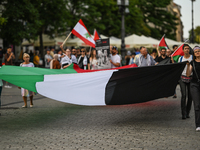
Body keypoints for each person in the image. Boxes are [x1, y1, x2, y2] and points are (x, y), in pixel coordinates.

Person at [186, 46, 200, 131]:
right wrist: (188, 66)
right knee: (197, 105)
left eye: (199, 51)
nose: (198, 52)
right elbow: (188, 74)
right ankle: (198, 124)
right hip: (194, 85)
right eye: (196, 52)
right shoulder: (192, 63)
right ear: (194, 54)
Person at [178, 44, 193, 120]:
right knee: (184, 95)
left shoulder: (192, 57)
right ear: (183, 50)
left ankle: (187, 112)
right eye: (185, 49)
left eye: (188, 48)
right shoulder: (180, 59)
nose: (187, 50)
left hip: (191, 78)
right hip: (182, 78)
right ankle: (183, 113)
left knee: (190, 96)